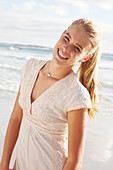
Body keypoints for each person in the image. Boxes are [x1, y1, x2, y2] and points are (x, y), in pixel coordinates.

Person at [0, 18, 101, 170]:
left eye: (77, 48)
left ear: (85, 58)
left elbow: (75, 160)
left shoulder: (77, 96)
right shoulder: (30, 67)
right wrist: (4, 164)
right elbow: (16, 117)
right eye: (67, 38)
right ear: (62, 34)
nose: (66, 48)